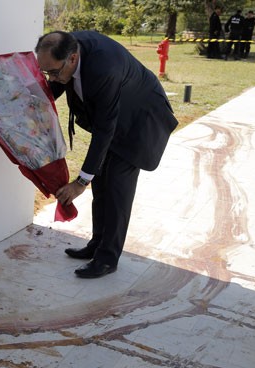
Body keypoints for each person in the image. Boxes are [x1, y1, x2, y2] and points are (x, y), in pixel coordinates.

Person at [34, 31, 178, 278]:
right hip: (114, 116)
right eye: (46, 72)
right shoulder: (65, 48)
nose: (52, 78)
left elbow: (104, 131)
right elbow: (52, 89)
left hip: (138, 121)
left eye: (54, 73)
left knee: (117, 191)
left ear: (72, 58)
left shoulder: (104, 68)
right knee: (101, 185)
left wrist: (80, 182)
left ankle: (107, 258)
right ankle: (96, 244)